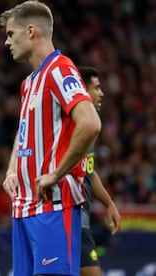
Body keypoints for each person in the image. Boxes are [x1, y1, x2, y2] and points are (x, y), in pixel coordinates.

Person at [0, 1, 102, 275]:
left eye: (11, 34)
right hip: (24, 206)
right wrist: (11, 170)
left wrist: (55, 174)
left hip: (53, 204)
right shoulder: (29, 82)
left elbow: (90, 123)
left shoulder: (60, 69)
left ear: (31, 31)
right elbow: (23, 133)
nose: (7, 42)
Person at [77, 66, 121, 276]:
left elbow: (89, 172)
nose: (101, 93)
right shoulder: (70, 125)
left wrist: (109, 203)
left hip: (81, 224)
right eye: (96, 88)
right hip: (67, 220)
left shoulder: (91, 127)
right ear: (82, 91)